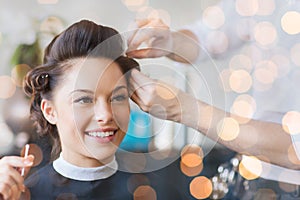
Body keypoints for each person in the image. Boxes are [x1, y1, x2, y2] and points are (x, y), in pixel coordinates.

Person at [126, 0, 300, 199]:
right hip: (252, 175)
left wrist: (183, 108)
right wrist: (170, 42)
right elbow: (208, 35)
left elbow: (294, 149)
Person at [0, 19, 188, 200]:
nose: (106, 115)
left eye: (118, 97)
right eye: (84, 99)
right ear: (50, 111)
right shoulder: (23, 195)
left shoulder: (160, 193)